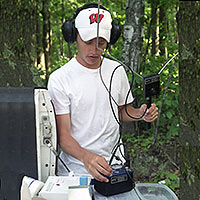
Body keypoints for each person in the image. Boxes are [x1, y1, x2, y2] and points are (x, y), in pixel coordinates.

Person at [48, 2, 158, 198]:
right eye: (88, 41)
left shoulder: (117, 70)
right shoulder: (60, 79)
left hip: (114, 169)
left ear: (110, 39)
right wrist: (87, 158)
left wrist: (141, 113)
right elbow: (63, 137)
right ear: (74, 36)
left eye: (101, 42)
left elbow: (121, 112)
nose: (95, 49)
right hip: (76, 172)